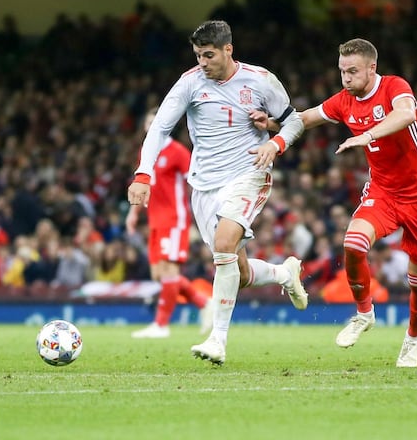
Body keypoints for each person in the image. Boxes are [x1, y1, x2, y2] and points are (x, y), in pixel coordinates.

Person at [255, 38, 417, 367]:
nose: (346, 78)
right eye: (342, 71)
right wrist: (273, 126)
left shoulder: (394, 87)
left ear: (372, 68)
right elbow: (306, 118)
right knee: (353, 243)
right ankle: (364, 313)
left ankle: (413, 338)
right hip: (384, 191)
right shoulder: (344, 100)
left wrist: (369, 134)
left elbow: (405, 114)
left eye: (353, 71)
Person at [127, 20, 308, 365]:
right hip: (204, 186)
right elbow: (160, 129)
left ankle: (217, 341)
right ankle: (285, 274)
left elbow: (294, 120)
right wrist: (143, 174)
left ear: (228, 49)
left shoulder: (261, 80)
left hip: (248, 173)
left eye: (209, 55)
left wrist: (276, 140)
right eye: (198, 56)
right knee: (236, 272)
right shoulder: (190, 83)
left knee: (224, 246)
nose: (203, 63)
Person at [127, 107, 212, 339]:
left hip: (174, 219)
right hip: (155, 219)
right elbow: (143, 184)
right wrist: (133, 213)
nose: (152, 127)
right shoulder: (146, 152)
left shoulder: (177, 152)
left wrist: (202, 213)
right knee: (159, 275)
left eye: (156, 122)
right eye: (148, 123)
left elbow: (195, 181)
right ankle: (204, 302)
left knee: (170, 271)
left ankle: (161, 324)